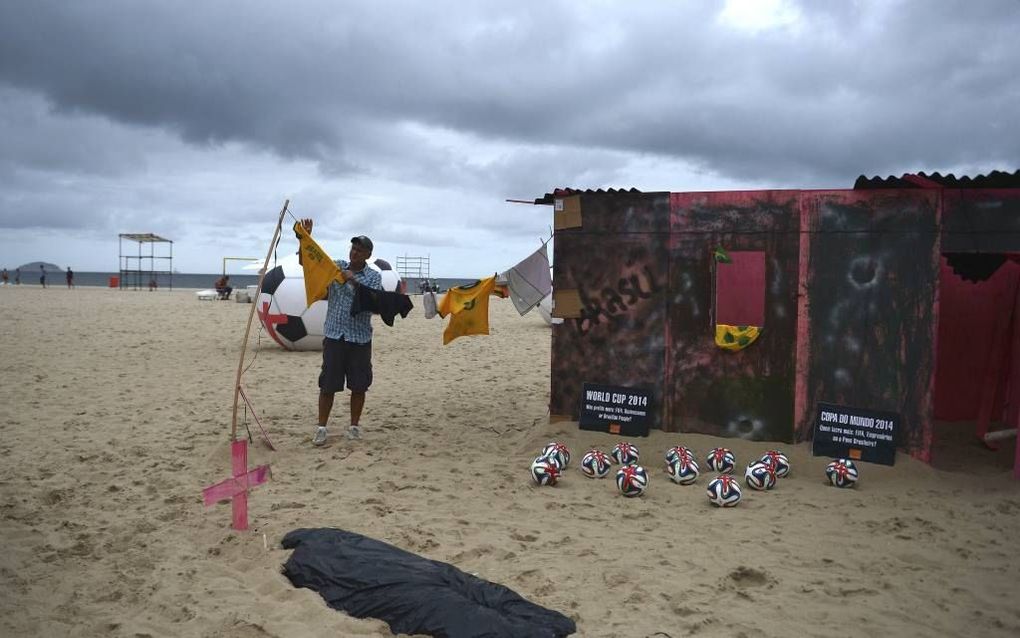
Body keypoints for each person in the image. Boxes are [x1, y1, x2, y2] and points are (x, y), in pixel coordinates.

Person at [299, 219, 383, 446]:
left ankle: (354, 426)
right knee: (328, 384)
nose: (354, 252)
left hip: (360, 337)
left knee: (359, 385)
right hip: (335, 336)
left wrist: (354, 281)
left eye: (360, 250)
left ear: (367, 254)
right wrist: (305, 239)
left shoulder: (374, 276)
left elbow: (376, 301)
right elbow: (307, 263)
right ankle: (321, 428)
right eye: (353, 248)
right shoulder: (336, 266)